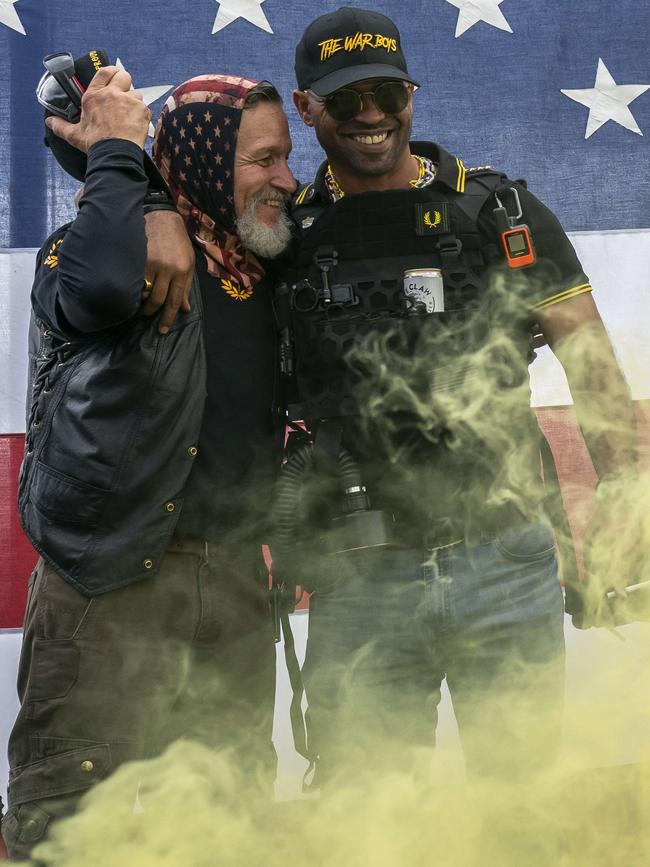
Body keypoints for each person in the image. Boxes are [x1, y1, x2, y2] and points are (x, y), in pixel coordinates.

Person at [271, 6, 638, 785]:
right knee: (366, 821)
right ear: (306, 108)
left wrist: (628, 505)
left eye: (387, 93)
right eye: (344, 100)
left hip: (501, 559)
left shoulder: (500, 214)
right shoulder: (284, 239)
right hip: (359, 575)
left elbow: (592, 365)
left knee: (519, 809)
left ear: (413, 94)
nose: (370, 115)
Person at [1, 64, 296, 860]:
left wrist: (157, 197)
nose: (287, 179)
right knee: (70, 828)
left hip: (233, 589)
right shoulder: (103, 247)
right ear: (202, 159)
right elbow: (95, 289)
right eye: (264, 160)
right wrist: (141, 192)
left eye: (286, 156)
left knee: (219, 828)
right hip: (108, 587)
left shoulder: (265, 269)